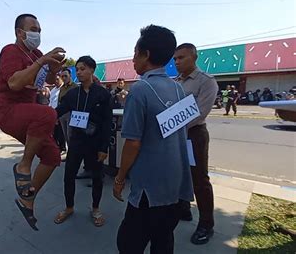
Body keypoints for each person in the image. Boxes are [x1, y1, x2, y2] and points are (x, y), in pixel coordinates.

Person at [113, 25, 194, 254]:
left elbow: (133, 143)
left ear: (146, 54)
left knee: (128, 243)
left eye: (135, 53)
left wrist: (119, 179)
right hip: (175, 183)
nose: (132, 59)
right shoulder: (179, 89)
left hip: (150, 190)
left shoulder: (139, 90)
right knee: (163, 242)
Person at [0, 14, 65, 230]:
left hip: (27, 113)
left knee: (53, 157)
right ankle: (23, 165)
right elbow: (15, 83)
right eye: (33, 29)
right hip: (9, 112)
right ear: (19, 32)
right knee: (48, 114)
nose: (38, 34)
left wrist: (52, 67)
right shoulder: (10, 51)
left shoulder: (36, 53)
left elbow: (51, 80)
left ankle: (27, 199)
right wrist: (41, 61)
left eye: (40, 30)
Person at [54, 56, 112, 227]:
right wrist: (42, 117)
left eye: (82, 69)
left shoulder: (103, 94)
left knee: (97, 177)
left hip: (95, 143)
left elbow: (108, 122)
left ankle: (95, 209)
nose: (78, 72)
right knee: (68, 175)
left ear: (92, 70)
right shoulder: (72, 94)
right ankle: (69, 207)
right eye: (77, 69)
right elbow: (59, 111)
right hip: (77, 141)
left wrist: (104, 147)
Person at [174, 43, 219, 245]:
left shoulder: (206, 81)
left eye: (181, 58)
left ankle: (206, 224)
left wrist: (171, 124)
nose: (177, 62)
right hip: (175, 135)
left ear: (194, 57)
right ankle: (184, 208)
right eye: (175, 59)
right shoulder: (175, 82)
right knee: (179, 173)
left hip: (194, 135)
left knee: (200, 179)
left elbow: (200, 112)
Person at [58, 68, 77, 159]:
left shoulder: (75, 87)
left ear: (70, 76)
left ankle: (73, 155)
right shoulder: (62, 88)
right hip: (62, 115)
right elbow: (59, 101)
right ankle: (70, 154)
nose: (64, 78)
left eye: (66, 76)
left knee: (70, 135)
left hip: (71, 114)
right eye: (62, 76)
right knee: (65, 136)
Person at [49, 75, 66, 153]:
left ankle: (63, 148)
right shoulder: (53, 90)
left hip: (61, 114)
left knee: (61, 132)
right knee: (54, 132)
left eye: (57, 79)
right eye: (54, 79)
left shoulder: (63, 89)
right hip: (52, 113)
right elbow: (50, 101)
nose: (56, 81)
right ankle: (56, 147)